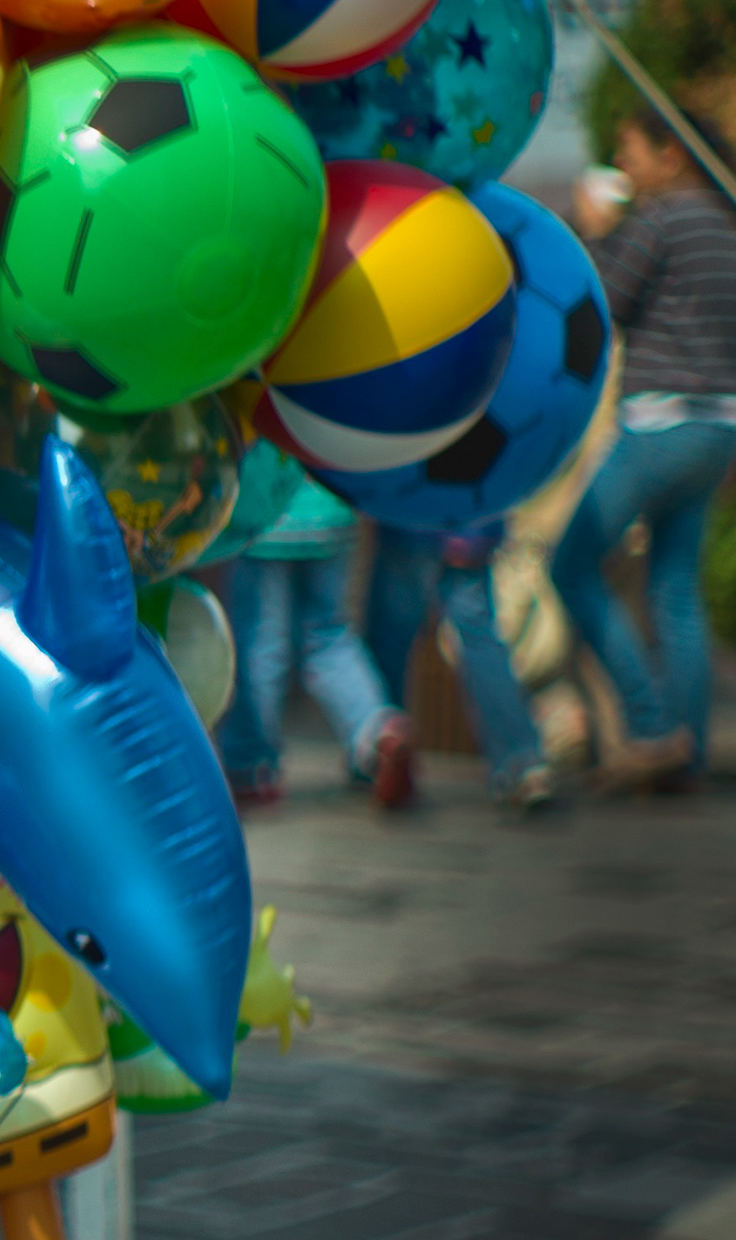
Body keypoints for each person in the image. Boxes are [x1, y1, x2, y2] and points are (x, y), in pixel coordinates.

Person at [559, 107, 736, 788]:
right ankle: (681, 751)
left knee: (570, 565)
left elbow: (603, 303)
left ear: (672, 153)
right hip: (717, 431)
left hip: (659, 425)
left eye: (629, 149)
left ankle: (652, 722)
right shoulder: (724, 223)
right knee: (675, 590)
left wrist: (600, 231)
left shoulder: (660, 220)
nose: (623, 165)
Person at [211, 438, 414, 809]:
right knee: (329, 636)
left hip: (262, 517)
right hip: (333, 509)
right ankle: (378, 731)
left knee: (261, 644)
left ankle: (250, 765)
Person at [359, 519, 552, 811]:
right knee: (480, 637)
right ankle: (522, 763)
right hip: (473, 516)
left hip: (409, 516)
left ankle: (382, 753)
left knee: (391, 640)